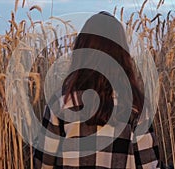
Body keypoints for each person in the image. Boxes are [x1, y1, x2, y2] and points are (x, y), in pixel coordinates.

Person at [34, 11, 160, 169]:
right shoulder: (136, 106)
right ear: (122, 54)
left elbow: (43, 164)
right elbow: (149, 165)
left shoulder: (60, 103)